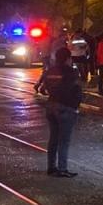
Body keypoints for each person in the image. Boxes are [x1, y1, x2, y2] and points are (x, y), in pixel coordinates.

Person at [44, 47, 81, 177]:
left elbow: (45, 88)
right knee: (64, 140)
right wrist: (75, 106)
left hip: (51, 105)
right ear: (67, 59)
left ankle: (51, 167)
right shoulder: (71, 72)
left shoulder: (49, 71)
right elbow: (76, 90)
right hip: (66, 107)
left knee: (53, 138)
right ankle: (62, 169)